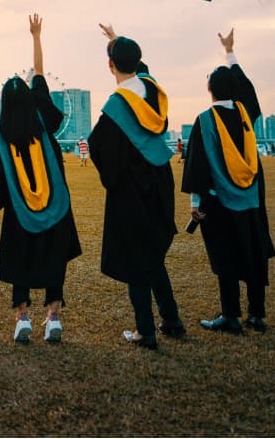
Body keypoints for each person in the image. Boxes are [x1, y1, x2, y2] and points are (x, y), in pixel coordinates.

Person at [0, 15, 82, 344]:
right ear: (29, 99)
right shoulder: (41, 118)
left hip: (19, 209)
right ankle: (53, 317)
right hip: (55, 205)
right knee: (54, 257)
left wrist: (4, 200)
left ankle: (22, 316)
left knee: (20, 260)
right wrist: (36, 36)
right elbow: (39, 74)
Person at [88, 25, 183, 350]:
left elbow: (98, 146)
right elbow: (142, 71)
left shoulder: (116, 107)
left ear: (109, 65)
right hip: (161, 180)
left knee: (135, 259)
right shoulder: (154, 92)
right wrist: (116, 40)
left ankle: (145, 331)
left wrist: (113, 180)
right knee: (153, 256)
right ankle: (171, 320)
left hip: (131, 189)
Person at [181, 29, 275, 335]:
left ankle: (231, 316)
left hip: (219, 200)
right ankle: (257, 315)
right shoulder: (246, 114)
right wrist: (230, 52)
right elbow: (248, 91)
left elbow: (197, 165)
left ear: (209, 88)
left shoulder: (205, 120)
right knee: (254, 251)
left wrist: (195, 203)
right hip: (251, 199)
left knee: (225, 255)